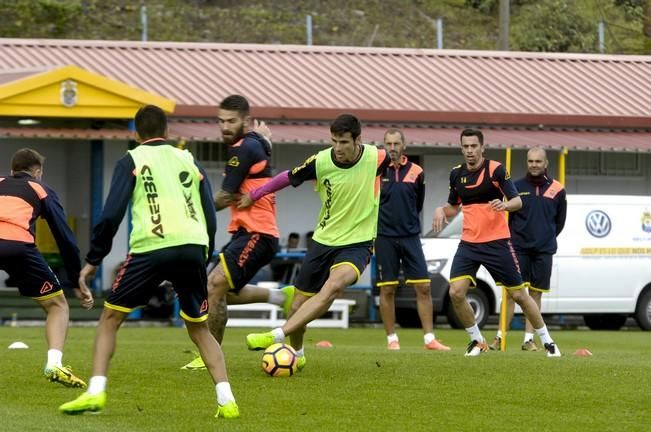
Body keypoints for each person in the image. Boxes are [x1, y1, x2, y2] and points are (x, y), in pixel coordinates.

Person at [58, 105, 240, 419]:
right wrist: (205, 250)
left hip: (152, 246)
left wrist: (93, 260)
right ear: (166, 131)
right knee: (198, 328)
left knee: (110, 320)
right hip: (194, 246)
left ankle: (96, 392)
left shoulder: (132, 159)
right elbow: (209, 212)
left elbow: (111, 214)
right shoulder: (188, 158)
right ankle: (227, 400)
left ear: (136, 133)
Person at [241, 114, 390, 368]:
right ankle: (297, 356)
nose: (338, 148)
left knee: (332, 286)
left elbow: (398, 160)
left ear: (358, 139)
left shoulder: (377, 157)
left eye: (344, 142)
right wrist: (255, 194)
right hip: (322, 241)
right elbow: (287, 177)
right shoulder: (321, 161)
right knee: (297, 305)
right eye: (334, 141)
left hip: (358, 243)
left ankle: (277, 335)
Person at [181, 94, 293, 371]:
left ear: (246, 121)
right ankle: (282, 297)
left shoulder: (242, 148)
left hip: (258, 234)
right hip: (249, 234)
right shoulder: (252, 143)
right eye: (221, 121)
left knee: (212, 287)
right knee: (216, 292)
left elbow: (224, 197)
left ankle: (209, 356)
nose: (225, 127)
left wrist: (188, 212)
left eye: (231, 121)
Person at [432, 129, 561, 357]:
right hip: (469, 244)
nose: (470, 151)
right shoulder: (456, 174)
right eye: (466, 147)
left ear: (482, 148)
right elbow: (454, 207)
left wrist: (505, 206)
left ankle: (548, 341)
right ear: (461, 148)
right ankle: (476, 340)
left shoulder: (496, 170)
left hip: (497, 243)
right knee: (456, 293)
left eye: (474, 146)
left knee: (520, 295)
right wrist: (441, 209)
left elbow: (517, 201)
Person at [0, 148, 93, 387]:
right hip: (18, 245)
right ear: (38, 172)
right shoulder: (40, 188)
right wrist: (76, 280)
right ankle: (54, 363)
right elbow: (64, 237)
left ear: (11, 171)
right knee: (57, 305)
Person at [376, 129, 449, 351]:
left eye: (396, 143)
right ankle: (392, 340)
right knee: (388, 289)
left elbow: (417, 204)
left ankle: (429, 339)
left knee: (424, 287)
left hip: (410, 237)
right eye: (388, 143)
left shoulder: (417, 172)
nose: (392, 148)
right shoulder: (376, 172)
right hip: (384, 237)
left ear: (404, 146)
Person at [489, 147, 567, 351]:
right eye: (530, 161)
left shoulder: (558, 190)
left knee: (535, 294)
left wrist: (544, 237)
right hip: (518, 248)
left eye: (538, 161)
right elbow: (509, 218)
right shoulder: (515, 186)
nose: (534, 165)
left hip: (543, 250)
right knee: (511, 293)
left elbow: (559, 222)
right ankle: (499, 338)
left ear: (546, 163)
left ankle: (528, 340)